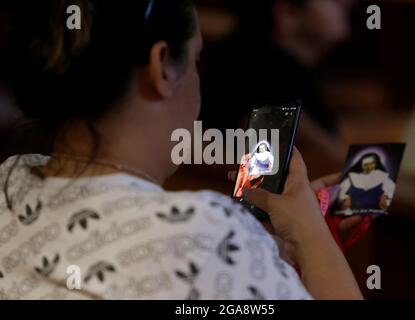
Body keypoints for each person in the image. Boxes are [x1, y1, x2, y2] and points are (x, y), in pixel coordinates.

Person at [0, 0, 361, 300]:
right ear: (162, 69)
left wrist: (269, 249)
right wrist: (312, 235)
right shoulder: (203, 231)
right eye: (195, 59)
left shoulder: (9, 180)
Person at [201, 0, 356, 164]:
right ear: (287, 14)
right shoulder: (266, 75)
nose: (349, 3)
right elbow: (339, 165)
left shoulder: (283, 69)